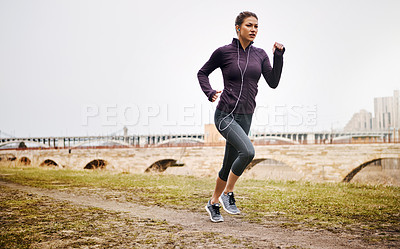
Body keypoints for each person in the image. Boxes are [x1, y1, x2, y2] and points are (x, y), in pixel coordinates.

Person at [197, 11, 285, 222]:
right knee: (247, 152)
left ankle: (213, 203)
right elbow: (202, 73)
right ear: (238, 28)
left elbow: (273, 82)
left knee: (228, 164)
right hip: (225, 114)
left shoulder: (260, 54)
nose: (253, 29)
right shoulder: (223, 52)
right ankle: (229, 193)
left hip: (246, 115)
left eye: (256, 26)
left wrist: (278, 57)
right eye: (249, 25)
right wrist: (209, 92)